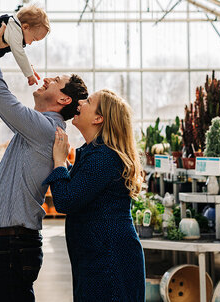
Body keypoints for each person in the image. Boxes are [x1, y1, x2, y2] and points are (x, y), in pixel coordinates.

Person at [0, 20, 88, 302]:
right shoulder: (38, 128)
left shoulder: (46, 129)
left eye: (56, 81)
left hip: (13, 244)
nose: (46, 79)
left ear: (64, 99)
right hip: (6, 242)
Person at [44, 89, 145, 302]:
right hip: (98, 256)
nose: (80, 102)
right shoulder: (95, 153)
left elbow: (65, 200)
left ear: (98, 118)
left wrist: (60, 163)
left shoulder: (104, 157)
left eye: (88, 101)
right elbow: (83, 188)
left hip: (109, 260)